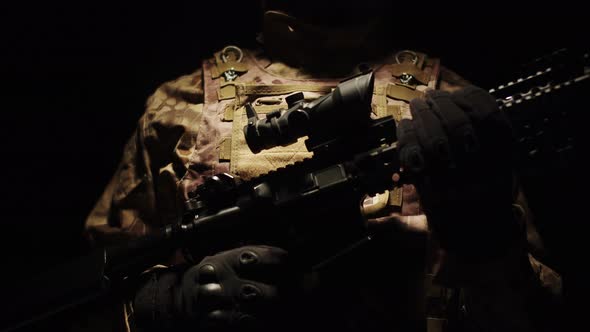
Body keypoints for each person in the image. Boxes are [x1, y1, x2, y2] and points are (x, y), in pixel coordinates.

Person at [84, 1, 563, 331]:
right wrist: (167, 305)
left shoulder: (450, 106)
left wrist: (484, 241)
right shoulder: (177, 108)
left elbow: (541, 314)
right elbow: (85, 297)